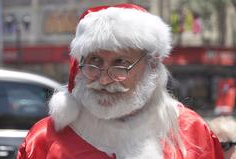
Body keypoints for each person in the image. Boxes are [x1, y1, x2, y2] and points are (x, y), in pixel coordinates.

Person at [16, 4, 224, 159]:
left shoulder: (192, 132)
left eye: (121, 63)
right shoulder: (44, 139)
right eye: (94, 61)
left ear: (151, 67)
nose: (104, 79)